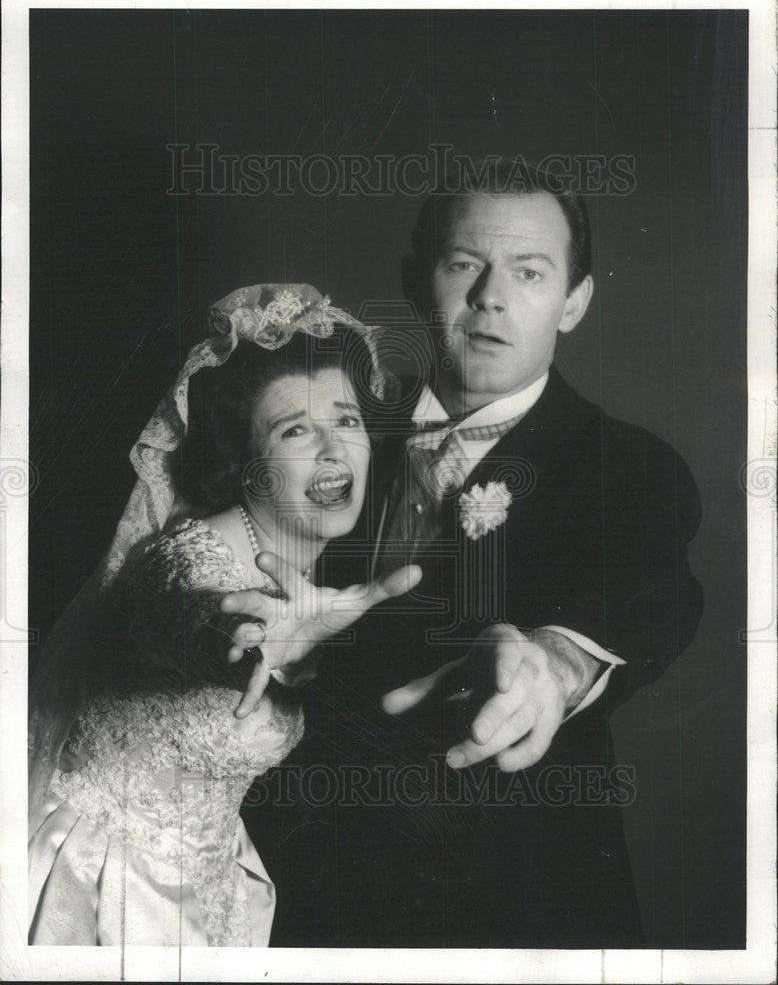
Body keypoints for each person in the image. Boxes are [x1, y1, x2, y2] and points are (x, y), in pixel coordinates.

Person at [225, 161, 704, 948]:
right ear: (417, 282)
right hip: (297, 897)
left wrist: (554, 663)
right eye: (464, 264)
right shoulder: (321, 423)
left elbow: (648, 584)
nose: (491, 296)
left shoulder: (626, 464)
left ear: (574, 302)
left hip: (512, 912)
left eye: (529, 271)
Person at [27, 283, 420, 947]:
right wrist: (235, 640)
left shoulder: (309, 576)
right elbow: (178, 616)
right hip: (101, 895)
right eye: (296, 429)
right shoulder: (180, 557)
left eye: (347, 420)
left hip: (214, 892)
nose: (332, 448)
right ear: (246, 463)